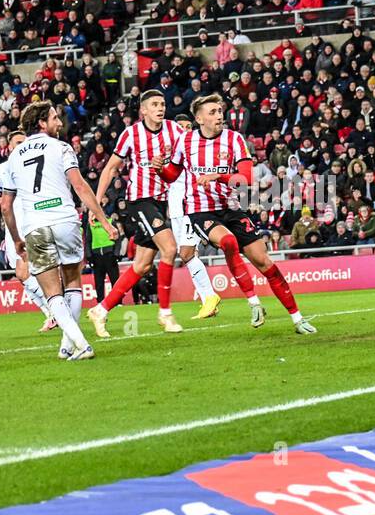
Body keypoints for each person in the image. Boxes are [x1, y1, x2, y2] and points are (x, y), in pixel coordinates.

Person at [149, 93, 315, 334]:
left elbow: (245, 179)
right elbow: (172, 174)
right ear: (199, 118)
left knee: (264, 262)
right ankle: (254, 302)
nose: (219, 116)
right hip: (200, 209)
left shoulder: (234, 139)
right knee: (227, 241)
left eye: (220, 111)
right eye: (213, 112)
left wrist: (219, 176)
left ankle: (298, 319)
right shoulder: (185, 142)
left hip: (231, 207)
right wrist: (159, 169)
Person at [2, 102, 117, 360]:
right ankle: (74, 345)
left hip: (35, 227)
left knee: (52, 291)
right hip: (65, 220)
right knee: (73, 282)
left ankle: (73, 344)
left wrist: (17, 238)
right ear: (42, 123)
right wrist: (104, 220)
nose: (59, 122)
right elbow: (80, 185)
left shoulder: (13, 157)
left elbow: (6, 207)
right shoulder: (62, 147)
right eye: (54, 118)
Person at [89, 90, 190, 335]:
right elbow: (111, 168)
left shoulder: (174, 131)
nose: (160, 108)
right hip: (139, 201)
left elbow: (190, 152)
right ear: (143, 110)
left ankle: (100, 310)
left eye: (163, 104)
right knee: (169, 248)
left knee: (142, 265)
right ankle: (165, 314)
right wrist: (97, 203)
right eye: (154, 104)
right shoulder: (131, 134)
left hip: (161, 202)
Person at [0, 129, 56, 332]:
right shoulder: (2, 169)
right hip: (12, 227)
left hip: (32, 221)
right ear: (9, 147)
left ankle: (56, 309)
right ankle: (52, 313)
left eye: (23, 142)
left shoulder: (33, 163)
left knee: (26, 270)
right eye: (17, 142)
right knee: (22, 275)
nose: (20, 146)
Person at [167, 113, 220, 314]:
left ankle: (209, 297)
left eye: (188, 126)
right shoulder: (172, 153)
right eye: (181, 126)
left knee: (187, 253)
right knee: (187, 254)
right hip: (175, 209)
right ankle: (208, 302)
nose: (185, 130)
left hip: (190, 207)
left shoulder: (195, 150)